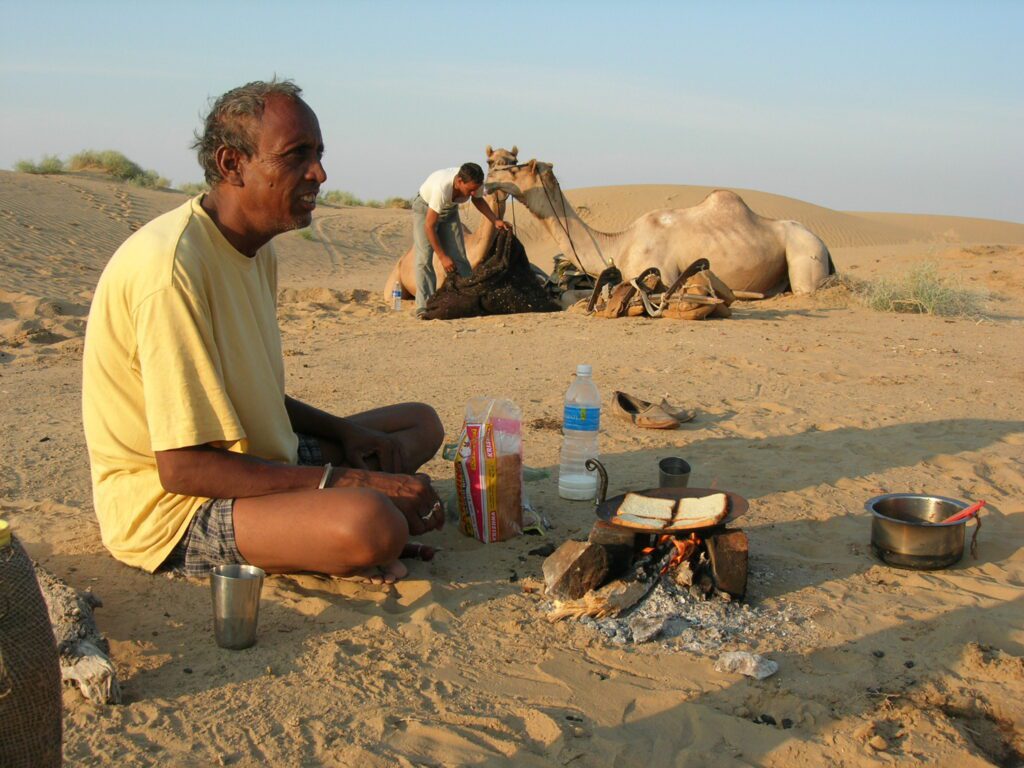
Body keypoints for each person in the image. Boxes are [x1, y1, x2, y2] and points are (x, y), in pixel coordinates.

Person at [81, 79, 445, 584]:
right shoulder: (171, 270)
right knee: (371, 522)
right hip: (175, 507)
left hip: (257, 457)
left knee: (418, 425)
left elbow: (254, 395)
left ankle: (315, 518)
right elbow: (183, 468)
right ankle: (324, 530)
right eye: (296, 155)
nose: (319, 172)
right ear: (233, 164)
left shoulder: (256, 249)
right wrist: (350, 482)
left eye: (318, 153)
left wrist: (347, 434)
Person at [412, 163, 509, 317]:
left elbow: (478, 200)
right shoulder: (441, 189)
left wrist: (495, 220)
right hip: (425, 210)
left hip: (450, 211)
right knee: (424, 258)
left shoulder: (474, 183)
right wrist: (443, 257)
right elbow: (429, 226)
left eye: (475, 189)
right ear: (458, 182)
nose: (472, 193)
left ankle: (469, 299)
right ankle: (424, 305)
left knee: (460, 258)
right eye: (469, 189)